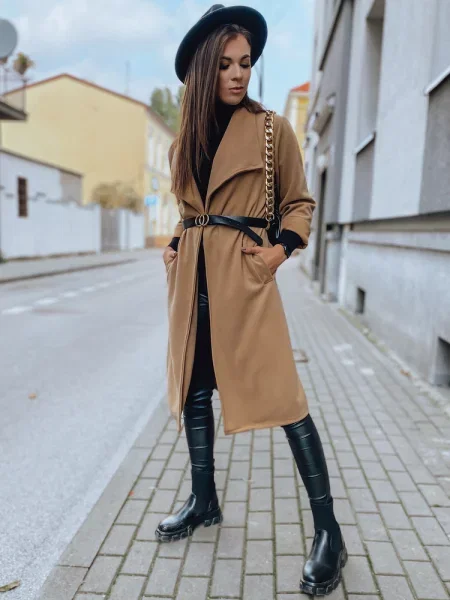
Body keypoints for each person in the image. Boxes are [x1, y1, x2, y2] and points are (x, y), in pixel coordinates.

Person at [156, 4, 347, 595]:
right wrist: (174, 245)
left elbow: (299, 203)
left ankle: (329, 533)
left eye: (245, 63)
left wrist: (277, 253)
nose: (239, 74)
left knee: (285, 400)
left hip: (244, 281)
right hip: (193, 282)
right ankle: (204, 500)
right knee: (194, 392)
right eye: (226, 64)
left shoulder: (271, 130)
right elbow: (190, 210)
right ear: (203, 70)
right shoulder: (184, 142)